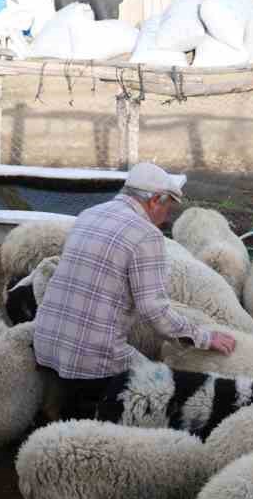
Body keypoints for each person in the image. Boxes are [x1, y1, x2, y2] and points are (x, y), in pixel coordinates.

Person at [33, 161, 237, 422]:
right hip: (91, 359)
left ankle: (65, 415)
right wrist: (204, 337)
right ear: (155, 200)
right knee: (162, 388)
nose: (167, 215)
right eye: (169, 205)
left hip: (48, 344)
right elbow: (153, 310)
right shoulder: (146, 235)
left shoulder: (89, 214)